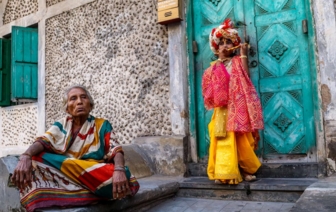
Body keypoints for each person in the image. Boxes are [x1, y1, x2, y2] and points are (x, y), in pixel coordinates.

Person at [11, 85, 139, 212]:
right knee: (35, 158)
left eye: (83, 97)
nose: (79, 102)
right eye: (73, 98)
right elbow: (43, 141)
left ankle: (69, 193)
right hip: (69, 171)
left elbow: (115, 149)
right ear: (67, 108)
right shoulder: (62, 124)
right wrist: (26, 156)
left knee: (124, 175)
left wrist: (119, 170)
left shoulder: (102, 124)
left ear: (90, 105)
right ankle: (93, 193)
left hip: (92, 172)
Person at [202, 19, 264, 184]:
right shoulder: (212, 68)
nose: (225, 46)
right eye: (221, 43)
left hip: (237, 106)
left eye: (228, 42)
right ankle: (223, 172)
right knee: (221, 140)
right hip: (221, 109)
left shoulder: (236, 62)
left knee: (241, 141)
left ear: (234, 45)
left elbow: (246, 76)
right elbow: (208, 91)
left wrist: (243, 53)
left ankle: (244, 171)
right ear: (216, 48)